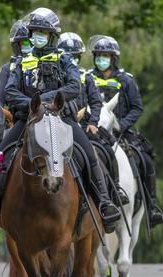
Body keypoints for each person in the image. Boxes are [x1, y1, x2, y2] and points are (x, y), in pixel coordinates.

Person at [0, 7, 121, 233]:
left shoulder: (64, 59)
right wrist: (34, 106)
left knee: (90, 154)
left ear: (52, 36)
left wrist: (46, 100)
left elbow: (73, 86)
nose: (38, 35)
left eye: (42, 32)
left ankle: (105, 203)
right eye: (35, 32)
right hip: (28, 120)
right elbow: (10, 92)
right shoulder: (22, 61)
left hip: (62, 119)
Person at [88, 35, 163, 226]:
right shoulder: (87, 78)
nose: (101, 59)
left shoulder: (125, 80)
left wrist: (123, 125)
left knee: (145, 159)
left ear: (113, 58)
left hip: (119, 132)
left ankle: (152, 206)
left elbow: (137, 107)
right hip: (93, 130)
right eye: (98, 55)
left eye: (105, 55)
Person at [58, 32, 129, 206]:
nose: (70, 61)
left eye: (74, 57)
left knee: (105, 151)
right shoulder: (54, 76)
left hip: (83, 126)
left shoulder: (86, 77)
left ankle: (111, 194)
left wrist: (92, 122)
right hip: (57, 125)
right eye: (66, 56)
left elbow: (96, 103)